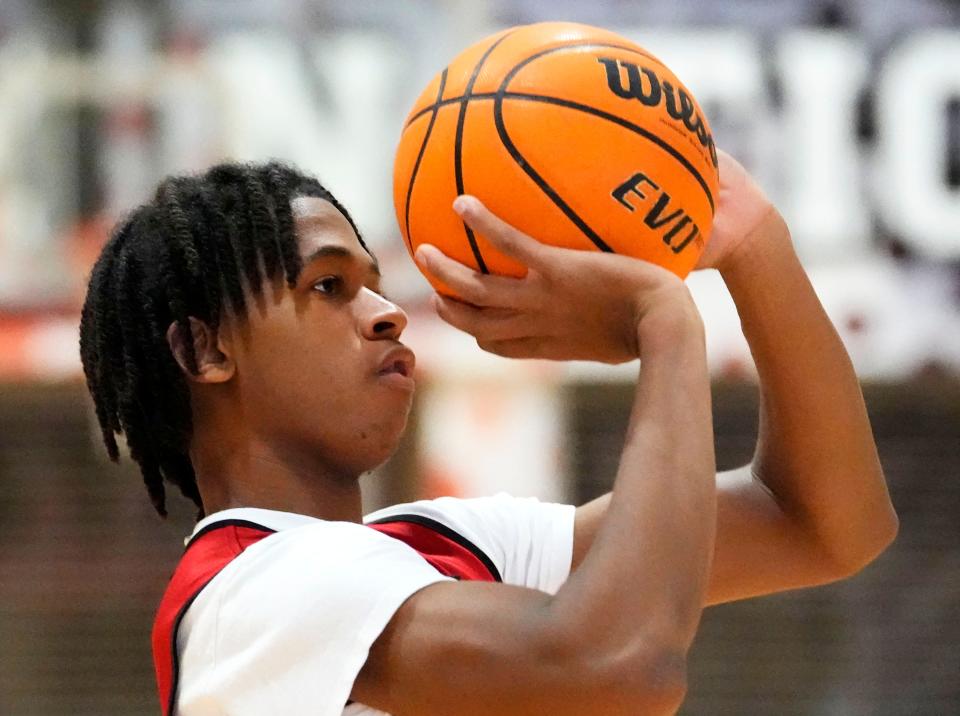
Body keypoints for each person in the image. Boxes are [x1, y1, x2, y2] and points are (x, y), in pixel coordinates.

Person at [78, 153, 897, 716]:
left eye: (375, 283)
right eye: (328, 286)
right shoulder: (249, 593)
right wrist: (666, 323)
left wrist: (754, 245)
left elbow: (825, 525)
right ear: (204, 349)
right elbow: (617, 668)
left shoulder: (436, 547)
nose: (385, 311)